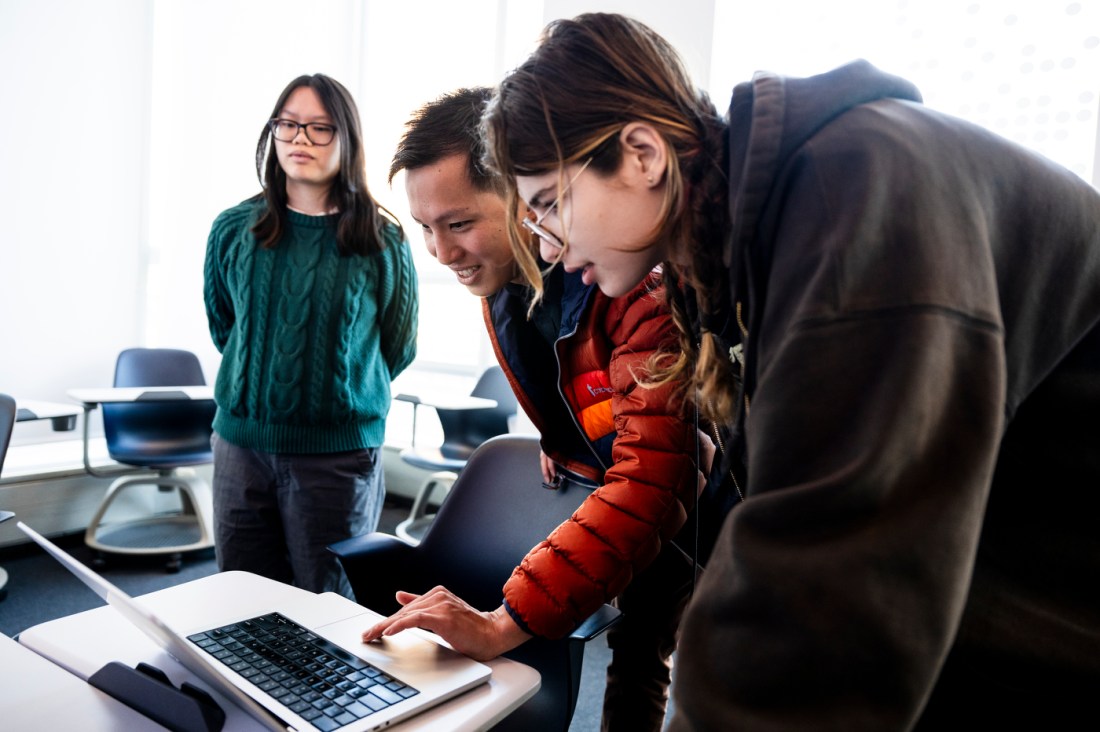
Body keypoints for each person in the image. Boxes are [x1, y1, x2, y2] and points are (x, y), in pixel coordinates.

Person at [482, 12, 1100, 730]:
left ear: (642, 154)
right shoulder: (733, 260)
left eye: (551, 204)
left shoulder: (850, 200)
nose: (550, 250)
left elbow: (828, 589)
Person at [363, 87, 705, 731]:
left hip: (696, 511)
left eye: (459, 224)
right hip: (613, 481)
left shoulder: (634, 282)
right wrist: (560, 435)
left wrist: (499, 625)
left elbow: (655, 472)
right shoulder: (503, 285)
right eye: (426, 229)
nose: (440, 252)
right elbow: (569, 380)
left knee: (640, 658)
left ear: (525, 194)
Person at [203, 74, 418, 599]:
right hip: (241, 449)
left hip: (337, 459)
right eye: (289, 124)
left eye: (320, 128)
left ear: (347, 140)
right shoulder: (234, 229)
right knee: (239, 603)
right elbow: (225, 327)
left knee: (329, 611)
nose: (300, 139)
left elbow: (397, 345)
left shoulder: (381, 240)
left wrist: (333, 392)